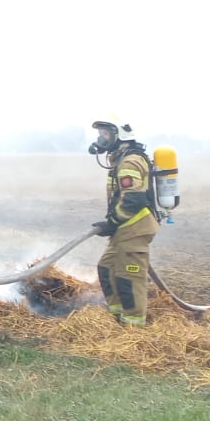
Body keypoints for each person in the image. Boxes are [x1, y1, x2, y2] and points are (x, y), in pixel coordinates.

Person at [87, 118, 160, 327]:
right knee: (107, 269)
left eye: (106, 134)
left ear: (120, 135)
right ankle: (118, 318)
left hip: (135, 227)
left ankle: (134, 328)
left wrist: (111, 223)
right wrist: (113, 224)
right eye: (100, 134)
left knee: (128, 279)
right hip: (124, 228)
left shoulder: (129, 161)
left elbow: (133, 200)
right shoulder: (120, 159)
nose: (101, 138)